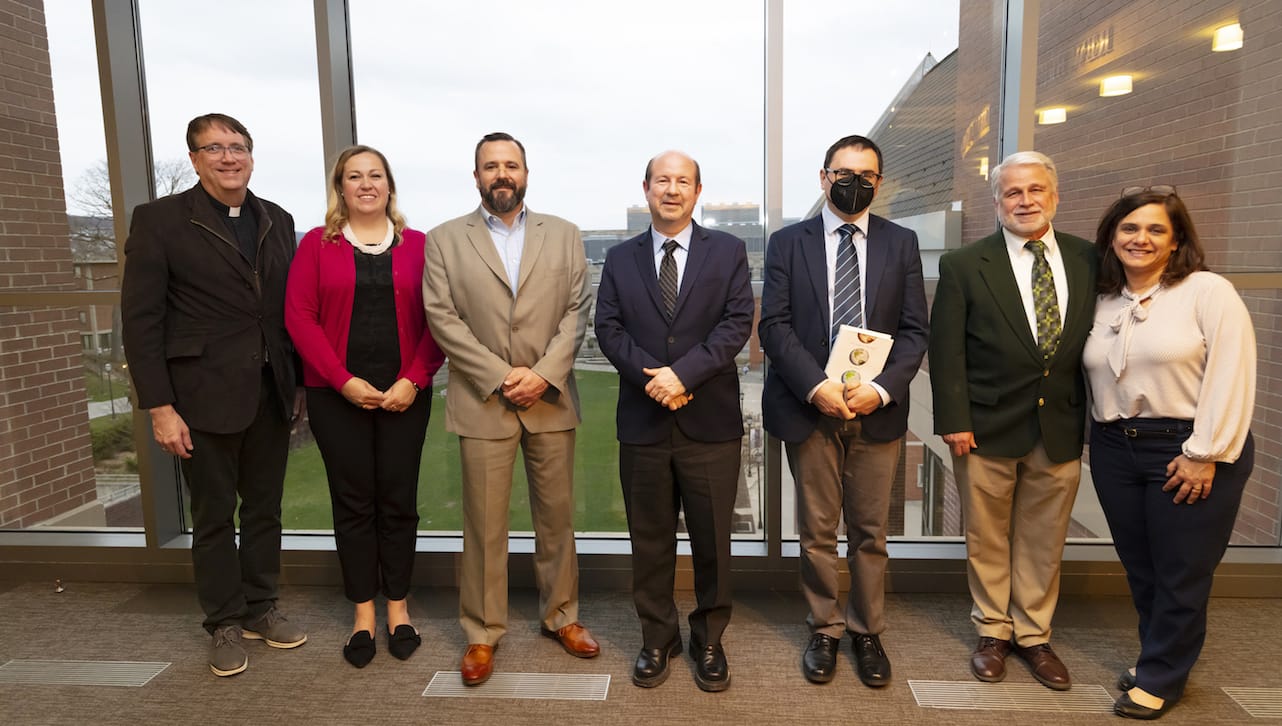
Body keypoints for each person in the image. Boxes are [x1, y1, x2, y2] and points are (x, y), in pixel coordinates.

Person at [121, 113, 306, 677]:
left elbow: (284, 311)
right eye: (216, 148)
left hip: (269, 394)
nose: (230, 158)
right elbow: (141, 321)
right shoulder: (160, 222)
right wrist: (160, 407)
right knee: (213, 517)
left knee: (266, 511)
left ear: (251, 156)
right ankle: (223, 622)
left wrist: (297, 385)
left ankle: (261, 607)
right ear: (194, 158)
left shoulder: (276, 218)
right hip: (198, 398)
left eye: (239, 147)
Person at [422, 132, 597, 686]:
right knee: (484, 526)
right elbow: (442, 318)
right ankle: (481, 633)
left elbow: (577, 311)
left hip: (549, 399)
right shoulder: (445, 240)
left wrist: (543, 374)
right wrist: (501, 378)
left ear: (526, 172)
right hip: (483, 402)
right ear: (475, 176)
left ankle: (561, 616)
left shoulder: (565, 235)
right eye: (490, 166)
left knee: (557, 521)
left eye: (511, 165)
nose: (502, 174)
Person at [759, 135, 928, 687]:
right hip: (811, 408)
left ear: (880, 183)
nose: (853, 182)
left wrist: (879, 389)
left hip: (875, 409)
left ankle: (867, 630)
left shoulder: (902, 244)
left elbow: (914, 331)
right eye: (843, 172)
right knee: (816, 530)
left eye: (866, 174)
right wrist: (816, 386)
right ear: (824, 176)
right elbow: (774, 327)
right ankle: (825, 627)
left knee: (871, 530)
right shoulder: (788, 243)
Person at [1083, 188, 1255, 720]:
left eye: (1156, 230)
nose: (1141, 239)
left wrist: (1204, 453)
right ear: (1112, 235)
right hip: (1116, 449)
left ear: (1176, 238)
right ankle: (1161, 656)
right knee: (1143, 569)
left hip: (1187, 448)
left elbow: (1233, 373)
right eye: (1130, 228)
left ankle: (1161, 675)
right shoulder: (1105, 297)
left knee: (1182, 571)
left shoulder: (1207, 291)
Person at [928, 150, 1096, 691]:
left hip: (1060, 426)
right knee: (987, 537)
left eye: (1035, 190)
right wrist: (954, 419)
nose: (1024, 201)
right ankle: (993, 631)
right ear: (996, 201)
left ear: (1054, 195)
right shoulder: (963, 265)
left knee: (1044, 539)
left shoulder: (1090, 259)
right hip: (984, 424)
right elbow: (946, 350)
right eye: (1012, 193)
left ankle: (1034, 635)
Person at [594, 151, 754, 692]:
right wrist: (653, 380)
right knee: (650, 539)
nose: (672, 189)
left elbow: (736, 325)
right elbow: (609, 329)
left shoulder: (729, 252)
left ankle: (709, 638)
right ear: (646, 189)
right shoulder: (619, 259)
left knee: (713, 543)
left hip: (708, 422)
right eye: (662, 180)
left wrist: (682, 376)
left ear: (698, 190)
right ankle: (655, 638)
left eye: (682, 181)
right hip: (643, 423)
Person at [285, 145, 444, 668]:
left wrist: (414, 380)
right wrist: (342, 380)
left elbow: (440, 321)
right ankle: (363, 615)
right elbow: (300, 318)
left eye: (375, 175)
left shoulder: (420, 246)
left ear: (390, 186)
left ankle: (398, 608)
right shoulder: (315, 245)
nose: (366, 184)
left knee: (398, 501)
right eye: (355, 176)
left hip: (404, 396)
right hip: (338, 397)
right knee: (353, 504)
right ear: (341, 187)